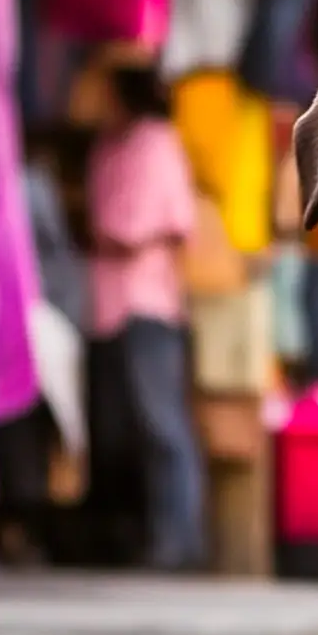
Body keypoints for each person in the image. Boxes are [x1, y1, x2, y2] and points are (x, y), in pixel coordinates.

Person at [87, 64, 208, 571]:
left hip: (148, 301)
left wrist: (126, 235)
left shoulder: (160, 142)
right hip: (104, 303)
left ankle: (180, 543)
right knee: (116, 431)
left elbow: (177, 219)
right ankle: (137, 539)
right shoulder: (105, 148)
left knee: (162, 427)